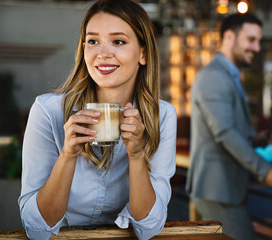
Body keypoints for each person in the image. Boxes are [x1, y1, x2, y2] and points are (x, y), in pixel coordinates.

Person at [18, 1, 177, 239]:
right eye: (93, 41)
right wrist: (68, 155)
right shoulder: (47, 111)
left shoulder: (162, 116)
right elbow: (37, 229)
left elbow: (149, 228)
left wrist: (136, 156)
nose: (103, 54)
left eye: (118, 41)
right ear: (84, 49)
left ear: (142, 54)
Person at [186, 13, 272, 240]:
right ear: (229, 36)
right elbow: (224, 132)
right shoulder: (213, 76)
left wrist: (253, 138)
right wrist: (265, 170)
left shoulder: (228, 75)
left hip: (225, 187)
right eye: (251, 40)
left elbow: (226, 129)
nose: (256, 47)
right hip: (218, 188)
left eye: (258, 41)